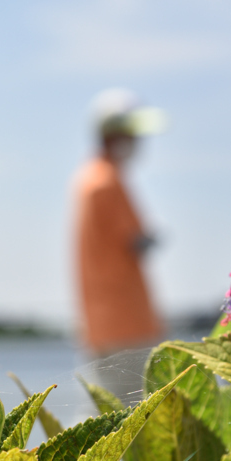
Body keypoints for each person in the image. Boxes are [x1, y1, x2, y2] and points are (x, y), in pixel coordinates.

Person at [73, 89, 166, 405]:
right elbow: (136, 240)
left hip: (102, 323)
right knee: (138, 425)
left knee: (113, 422)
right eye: (133, 134)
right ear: (114, 135)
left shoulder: (90, 178)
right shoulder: (106, 182)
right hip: (126, 324)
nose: (139, 142)